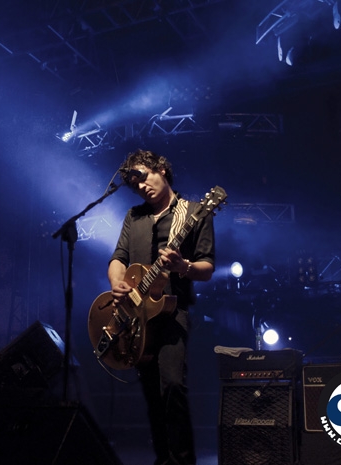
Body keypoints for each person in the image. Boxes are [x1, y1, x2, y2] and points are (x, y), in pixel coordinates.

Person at [108, 149, 215, 465]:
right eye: (133, 183)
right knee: (151, 394)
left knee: (171, 387)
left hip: (171, 313)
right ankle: (162, 460)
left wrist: (183, 266)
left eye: (142, 176)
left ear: (161, 170)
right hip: (137, 315)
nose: (140, 186)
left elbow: (207, 268)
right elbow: (118, 258)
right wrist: (117, 283)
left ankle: (182, 460)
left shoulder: (195, 212)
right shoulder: (134, 216)